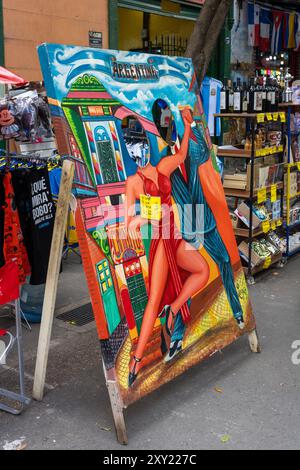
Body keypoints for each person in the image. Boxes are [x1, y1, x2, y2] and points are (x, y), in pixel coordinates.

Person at [125, 108, 210, 387]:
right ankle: (136, 360)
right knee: (153, 298)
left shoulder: (162, 167)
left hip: (174, 233)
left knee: (202, 270)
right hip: (161, 241)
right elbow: (129, 222)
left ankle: (173, 310)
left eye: (139, 143)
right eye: (131, 146)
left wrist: (187, 127)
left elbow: (183, 155)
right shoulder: (133, 183)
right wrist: (140, 217)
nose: (138, 150)